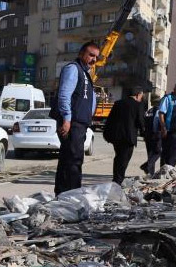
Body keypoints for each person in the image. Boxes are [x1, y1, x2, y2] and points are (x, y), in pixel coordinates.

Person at [51, 41, 99, 195]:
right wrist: (66, 119)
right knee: (71, 161)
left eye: (96, 57)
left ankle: (68, 193)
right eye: (91, 55)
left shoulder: (86, 73)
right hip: (72, 123)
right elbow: (64, 95)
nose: (94, 59)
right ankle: (69, 194)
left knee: (74, 159)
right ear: (81, 54)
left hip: (80, 123)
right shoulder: (73, 69)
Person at [103, 87, 145, 185]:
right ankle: (117, 181)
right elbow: (140, 122)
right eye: (141, 96)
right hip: (128, 137)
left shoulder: (118, 103)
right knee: (124, 159)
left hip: (116, 136)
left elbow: (110, 119)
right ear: (138, 95)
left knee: (118, 157)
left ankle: (116, 178)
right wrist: (144, 131)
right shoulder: (138, 105)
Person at [158, 82, 176, 169]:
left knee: (175, 152)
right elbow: (161, 113)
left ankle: (171, 170)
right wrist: (163, 128)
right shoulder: (168, 99)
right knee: (167, 152)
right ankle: (164, 170)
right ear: (174, 90)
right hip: (169, 130)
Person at [140, 95, 162, 176]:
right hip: (155, 134)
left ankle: (150, 173)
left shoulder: (149, 111)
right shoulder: (159, 111)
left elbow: (144, 122)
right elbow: (157, 123)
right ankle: (146, 166)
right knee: (158, 152)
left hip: (147, 135)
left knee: (150, 154)